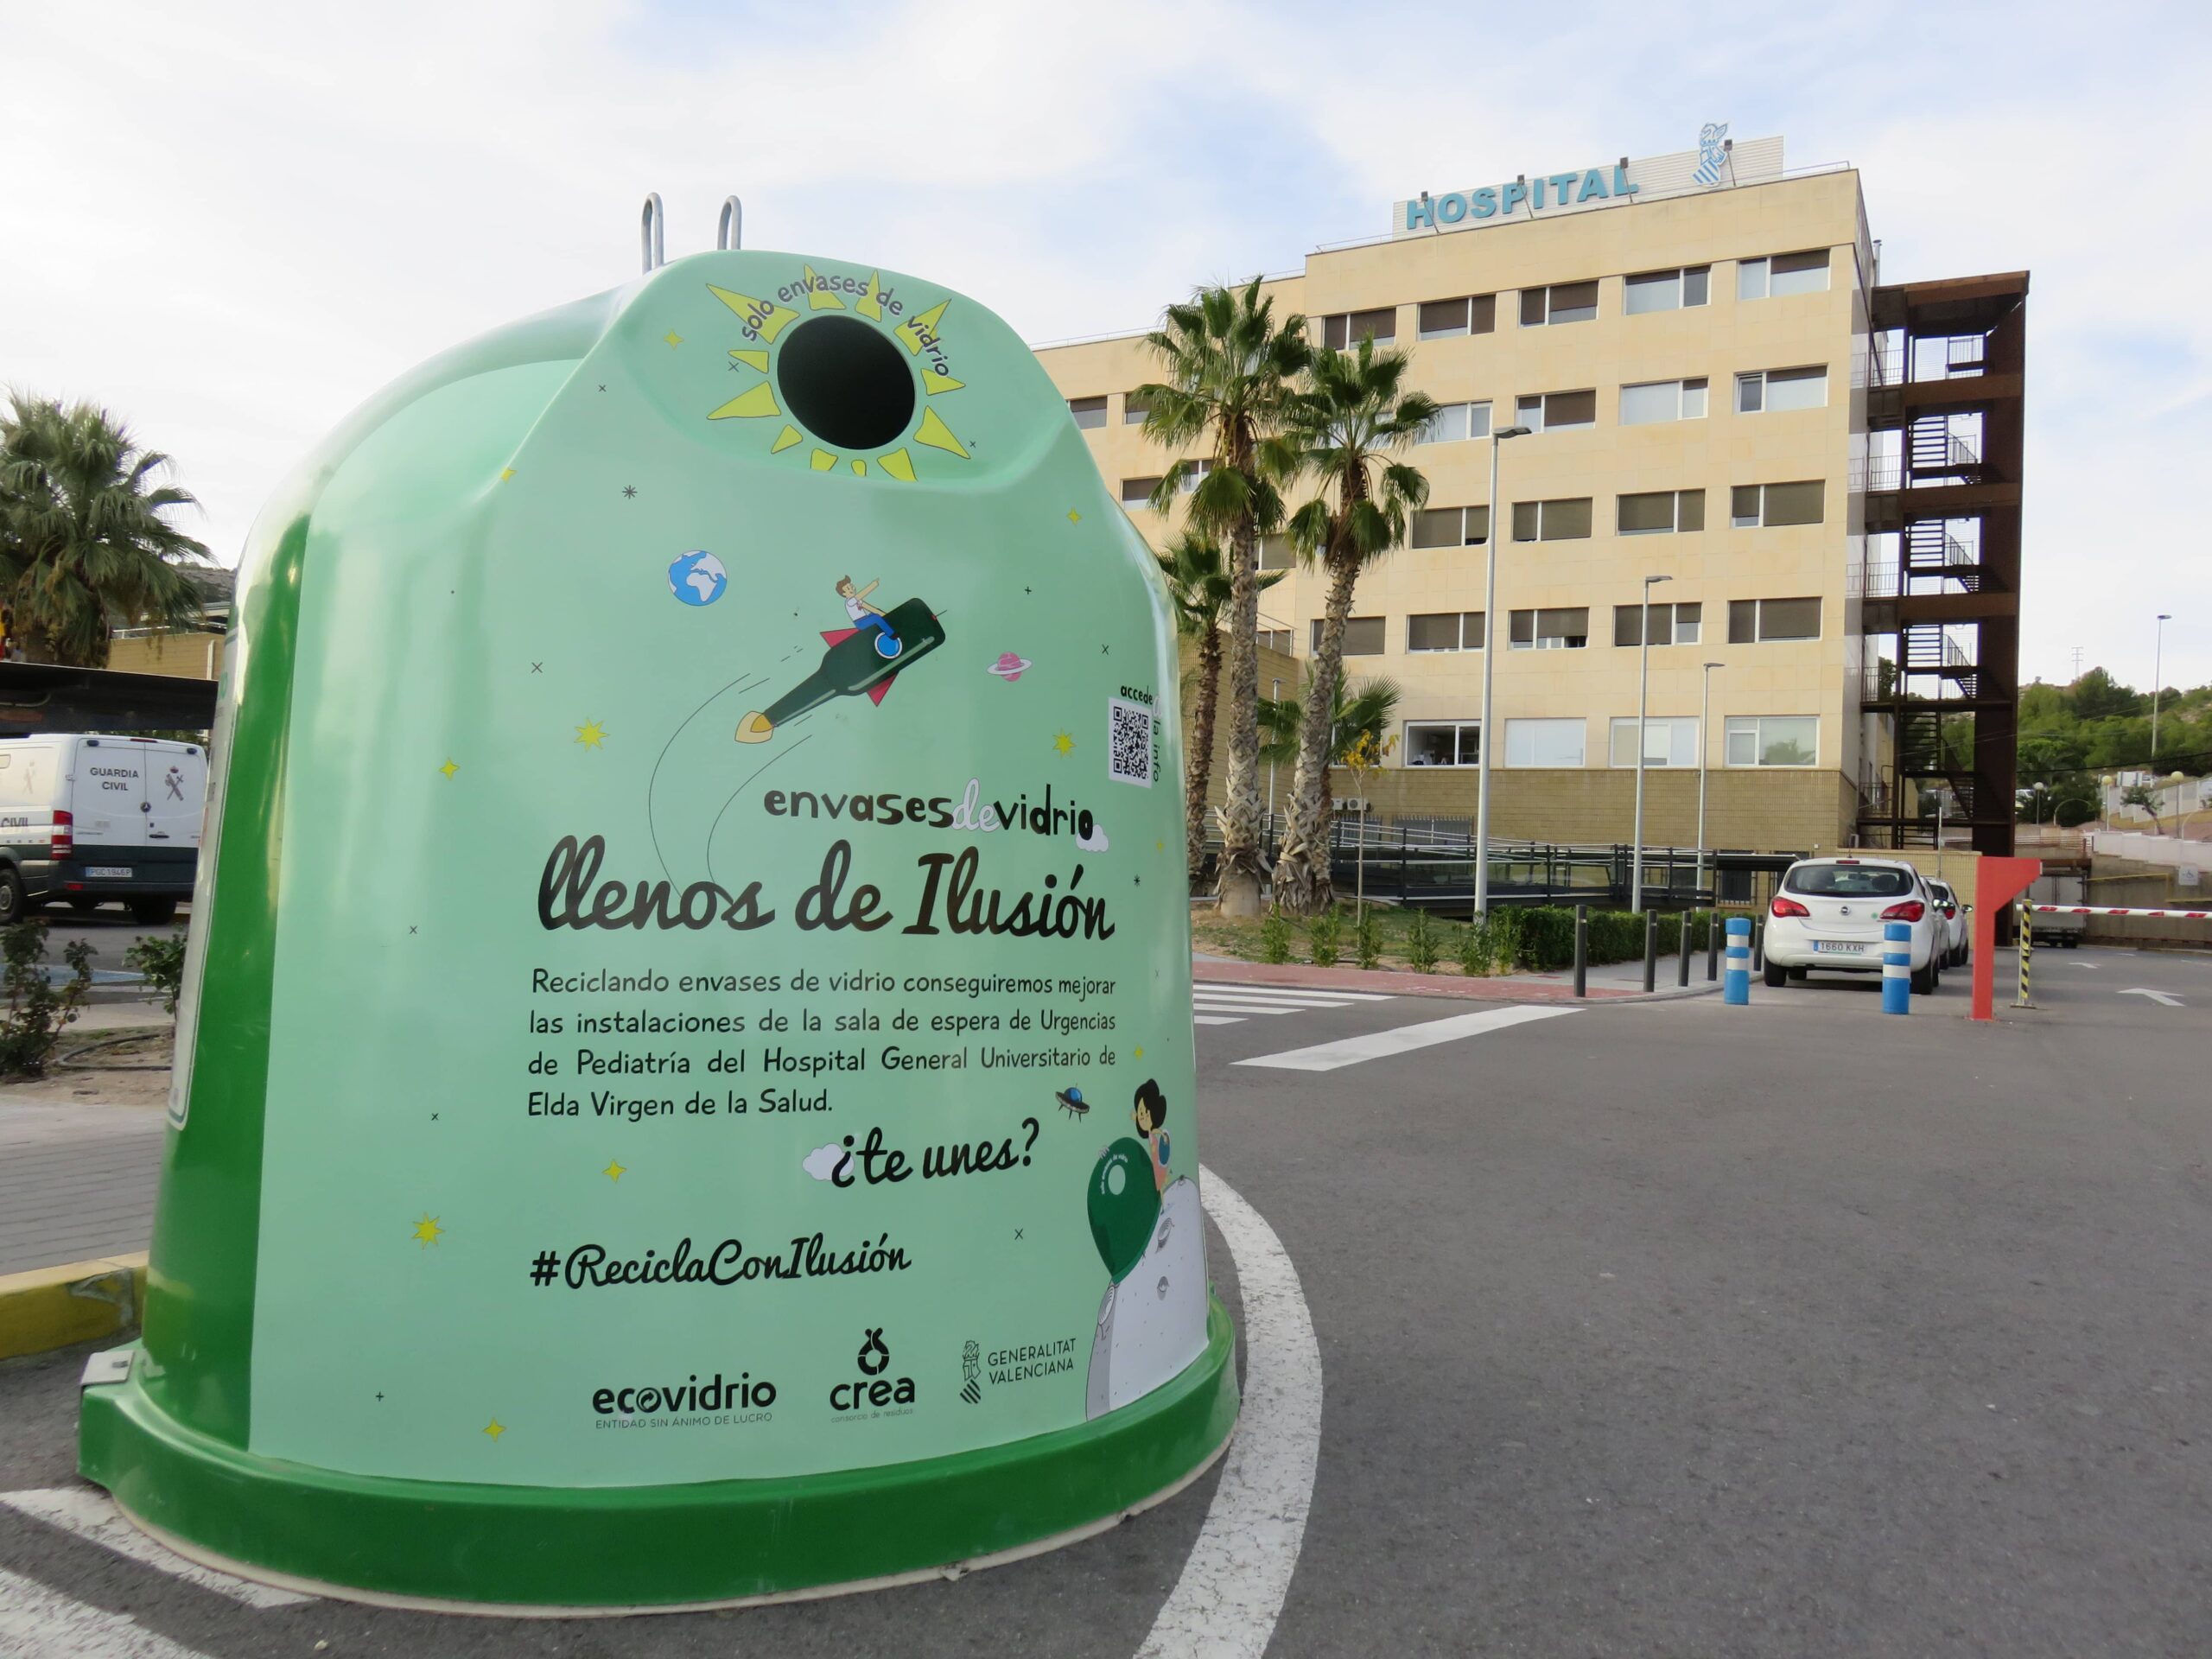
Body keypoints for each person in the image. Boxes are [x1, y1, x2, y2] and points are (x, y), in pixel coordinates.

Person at [836, 575, 899, 658]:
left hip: (865, 619)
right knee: (876, 618)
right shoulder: (849, 602)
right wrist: (873, 584)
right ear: (844, 594)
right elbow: (862, 594)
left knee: (876, 613)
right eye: (848, 588)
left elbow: (871, 608)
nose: (852, 588)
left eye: (851, 586)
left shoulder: (858, 600)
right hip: (860, 623)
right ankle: (892, 635)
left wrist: (887, 615)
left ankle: (890, 623)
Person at [1131, 1078, 1170, 1194]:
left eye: (1146, 1113)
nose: (1143, 1117)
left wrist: (1163, 1135)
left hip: (1158, 1167)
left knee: (1159, 1185)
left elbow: (1158, 1132)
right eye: (1141, 1114)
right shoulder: (1149, 1135)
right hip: (1154, 1167)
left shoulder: (1154, 1135)